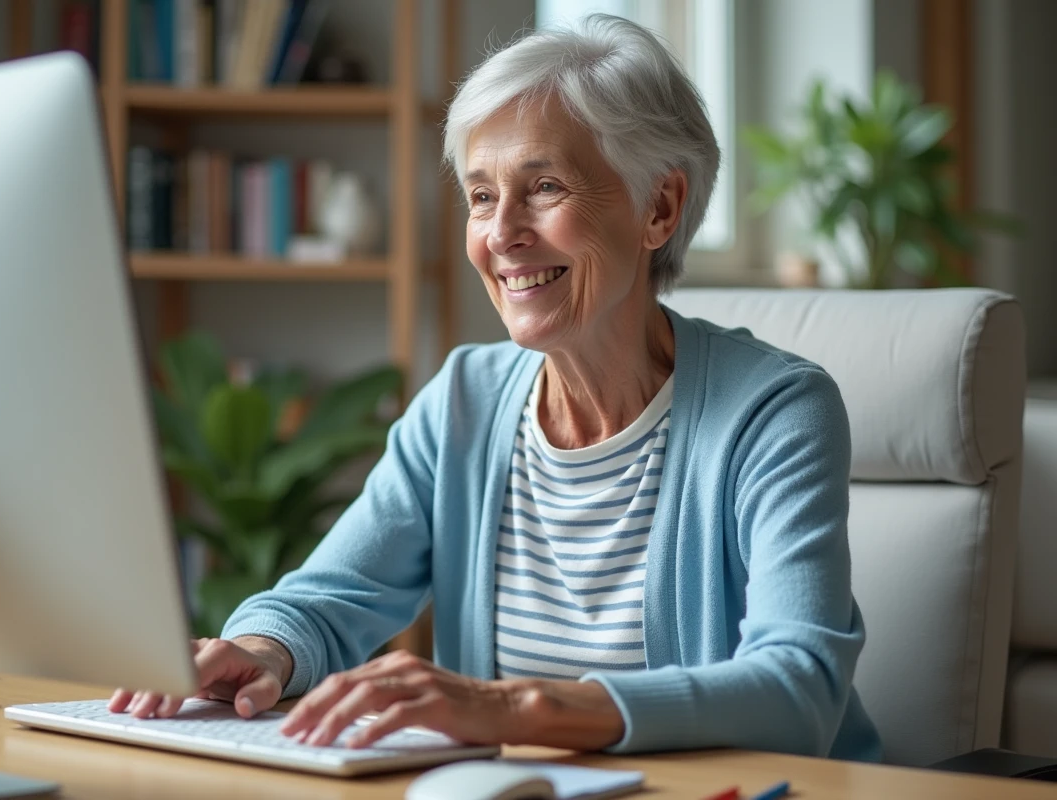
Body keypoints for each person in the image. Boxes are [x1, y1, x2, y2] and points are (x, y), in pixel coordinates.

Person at [110, 14, 882, 760]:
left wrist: (519, 706)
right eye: (482, 195)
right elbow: (326, 597)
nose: (501, 233)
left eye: (544, 186)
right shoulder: (465, 400)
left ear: (660, 207)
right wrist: (261, 651)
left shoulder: (776, 413)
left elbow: (798, 689)